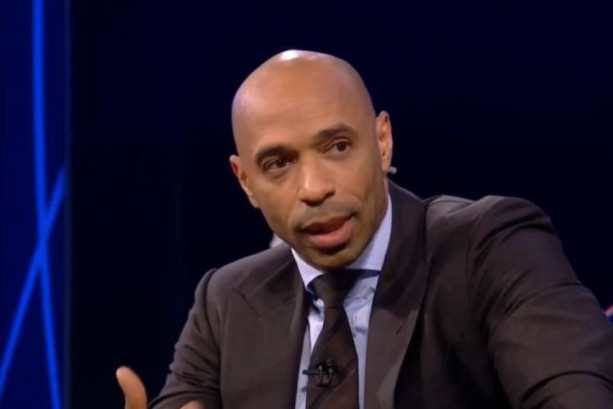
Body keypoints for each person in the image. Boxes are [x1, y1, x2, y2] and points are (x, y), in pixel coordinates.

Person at [116, 50, 613, 409]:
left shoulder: (489, 248)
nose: (314, 188)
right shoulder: (226, 301)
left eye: (337, 147)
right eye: (278, 163)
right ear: (245, 181)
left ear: (383, 141)